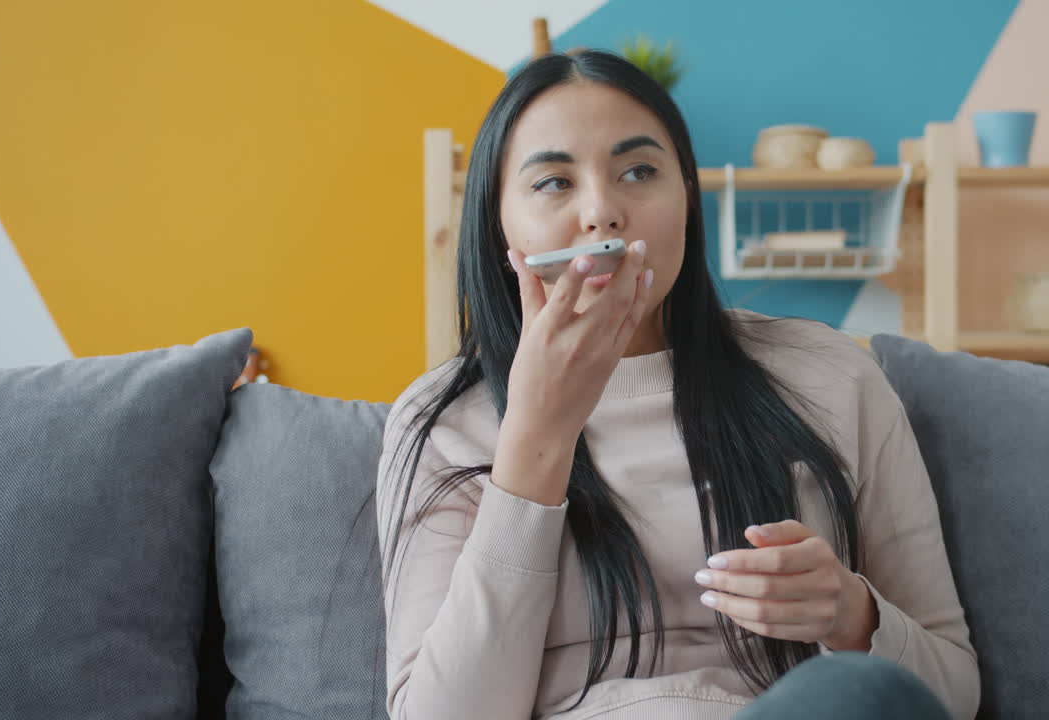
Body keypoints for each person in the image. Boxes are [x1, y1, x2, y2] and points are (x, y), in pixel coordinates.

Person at [377, 50, 979, 720]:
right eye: (552, 182)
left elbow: (948, 693)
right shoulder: (442, 423)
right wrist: (534, 440)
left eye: (639, 172)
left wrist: (852, 615)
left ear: (686, 200)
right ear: (498, 223)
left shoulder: (834, 376)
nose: (602, 212)